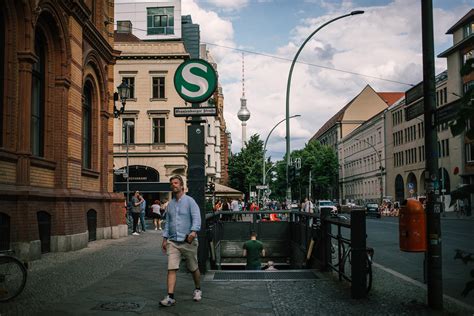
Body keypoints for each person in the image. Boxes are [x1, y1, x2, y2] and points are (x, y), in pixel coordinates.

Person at [160, 175, 202, 307]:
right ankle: (170, 297)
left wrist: (194, 231)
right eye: (172, 183)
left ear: (182, 185)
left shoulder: (190, 201)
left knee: (193, 267)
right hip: (173, 241)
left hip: (188, 241)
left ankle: (197, 288)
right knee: (171, 268)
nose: (174, 185)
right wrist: (165, 238)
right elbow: (168, 222)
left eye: (176, 183)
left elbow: (196, 217)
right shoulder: (170, 204)